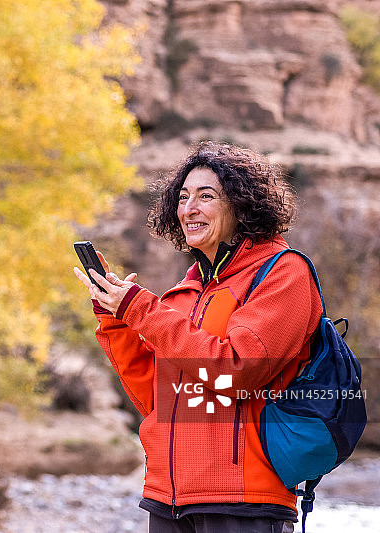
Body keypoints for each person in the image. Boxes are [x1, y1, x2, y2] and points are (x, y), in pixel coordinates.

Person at [73, 141, 321, 533]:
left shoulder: (282, 273)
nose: (189, 208)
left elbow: (237, 371)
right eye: (183, 197)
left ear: (241, 205)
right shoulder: (183, 294)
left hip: (244, 502)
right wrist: (116, 317)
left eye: (206, 197)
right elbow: (155, 398)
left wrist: (139, 308)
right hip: (167, 499)